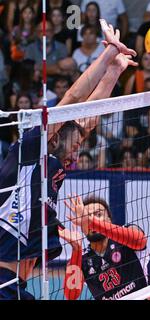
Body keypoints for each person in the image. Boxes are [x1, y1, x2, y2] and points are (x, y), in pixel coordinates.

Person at [0, 20, 138, 300]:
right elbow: (73, 96)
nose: (77, 153)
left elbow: (87, 120)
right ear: (56, 136)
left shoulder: (54, 163)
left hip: (17, 284)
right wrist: (109, 53)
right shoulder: (30, 148)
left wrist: (114, 72)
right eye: (75, 145)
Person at [59, 196, 147, 300]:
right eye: (86, 217)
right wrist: (76, 249)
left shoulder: (126, 234)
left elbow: (140, 241)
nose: (91, 219)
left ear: (109, 220)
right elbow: (71, 295)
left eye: (98, 215)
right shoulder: (80, 259)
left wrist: (92, 222)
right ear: (82, 226)